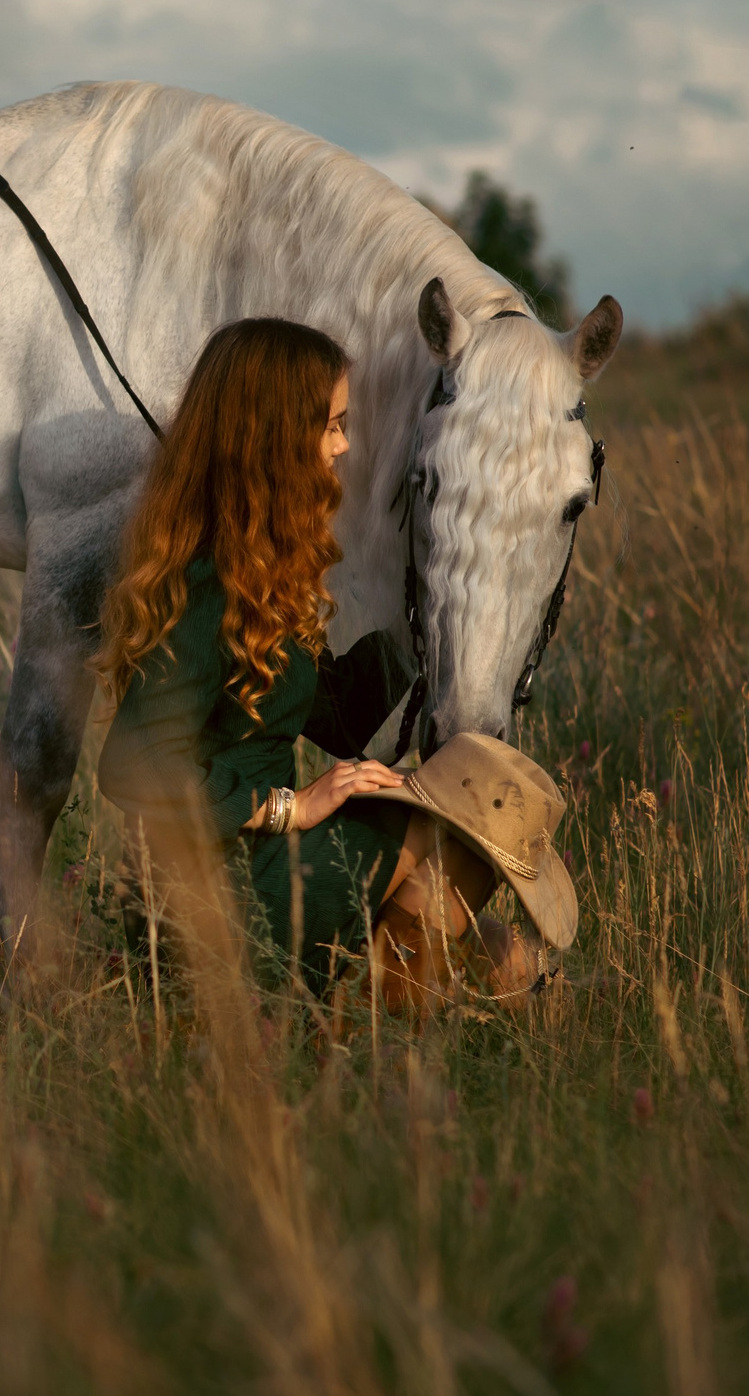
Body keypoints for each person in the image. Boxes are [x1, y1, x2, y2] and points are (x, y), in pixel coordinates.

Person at [92, 317, 562, 1006]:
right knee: (461, 834)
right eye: (332, 424)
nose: (343, 445)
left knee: (510, 960)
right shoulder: (206, 586)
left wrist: (426, 612)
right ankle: (340, 1024)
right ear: (275, 438)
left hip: (264, 869)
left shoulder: (255, 572)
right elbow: (132, 764)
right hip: (217, 894)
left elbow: (335, 719)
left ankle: (352, 1006)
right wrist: (292, 806)